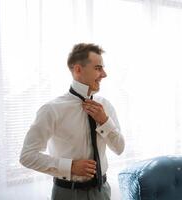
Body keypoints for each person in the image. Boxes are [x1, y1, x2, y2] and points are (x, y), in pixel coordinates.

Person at [20, 43, 125, 200]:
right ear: (78, 70)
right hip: (68, 194)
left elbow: (119, 148)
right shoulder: (51, 109)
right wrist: (69, 167)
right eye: (98, 68)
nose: (104, 74)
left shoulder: (105, 106)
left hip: (102, 192)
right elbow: (27, 156)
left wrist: (104, 121)